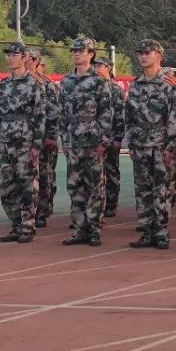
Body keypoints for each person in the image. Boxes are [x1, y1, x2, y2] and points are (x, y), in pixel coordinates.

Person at [125, 39, 176, 249]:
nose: (143, 56)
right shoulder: (135, 85)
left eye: (147, 53)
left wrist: (171, 147)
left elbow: (175, 118)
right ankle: (147, 231)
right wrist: (131, 144)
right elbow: (129, 117)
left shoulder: (168, 85)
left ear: (159, 56)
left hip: (160, 146)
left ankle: (162, 232)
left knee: (162, 190)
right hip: (140, 145)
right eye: (141, 53)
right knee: (143, 190)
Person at [60, 37, 115, 247]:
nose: (76, 53)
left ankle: (94, 229)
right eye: (74, 50)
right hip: (73, 141)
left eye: (81, 50)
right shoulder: (66, 81)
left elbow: (106, 113)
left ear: (91, 54)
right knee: (75, 186)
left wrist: (103, 141)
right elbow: (62, 114)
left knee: (95, 187)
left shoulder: (99, 82)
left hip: (92, 141)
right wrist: (64, 138)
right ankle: (79, 229)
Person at [0, 41, 45, 243]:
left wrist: (36, 144)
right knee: (7, 187)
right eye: (8, 55)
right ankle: (16, 225)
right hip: (6, 142)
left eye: (14, 55)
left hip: (25, 142)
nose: (10, 58)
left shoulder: (33, 84)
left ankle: (27, 226)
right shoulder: (4, 84)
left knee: (26, 185)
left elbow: (40, 115)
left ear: (25, 58)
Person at [26, 49, 60, 227]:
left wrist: (51, 136)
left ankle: (42, 211)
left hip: (44, 137)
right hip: (24, 138)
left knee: (45, 175)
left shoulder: (46, 84)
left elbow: (53, 112)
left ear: (36, 61)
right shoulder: (17, 82)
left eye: (29, 59)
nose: (26, 61)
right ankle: (26, 212)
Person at [93, 57, 127, 219]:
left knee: (111, 170)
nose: (96, 68)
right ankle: (96, 206)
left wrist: (118, 138)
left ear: (109, 68)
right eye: (95, 65)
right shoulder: (93, 86)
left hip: (112, 136)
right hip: (95, 137)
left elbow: (120, 115)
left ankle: (111, 204)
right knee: (95, 173)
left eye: (100, 65)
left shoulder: (115, 89)